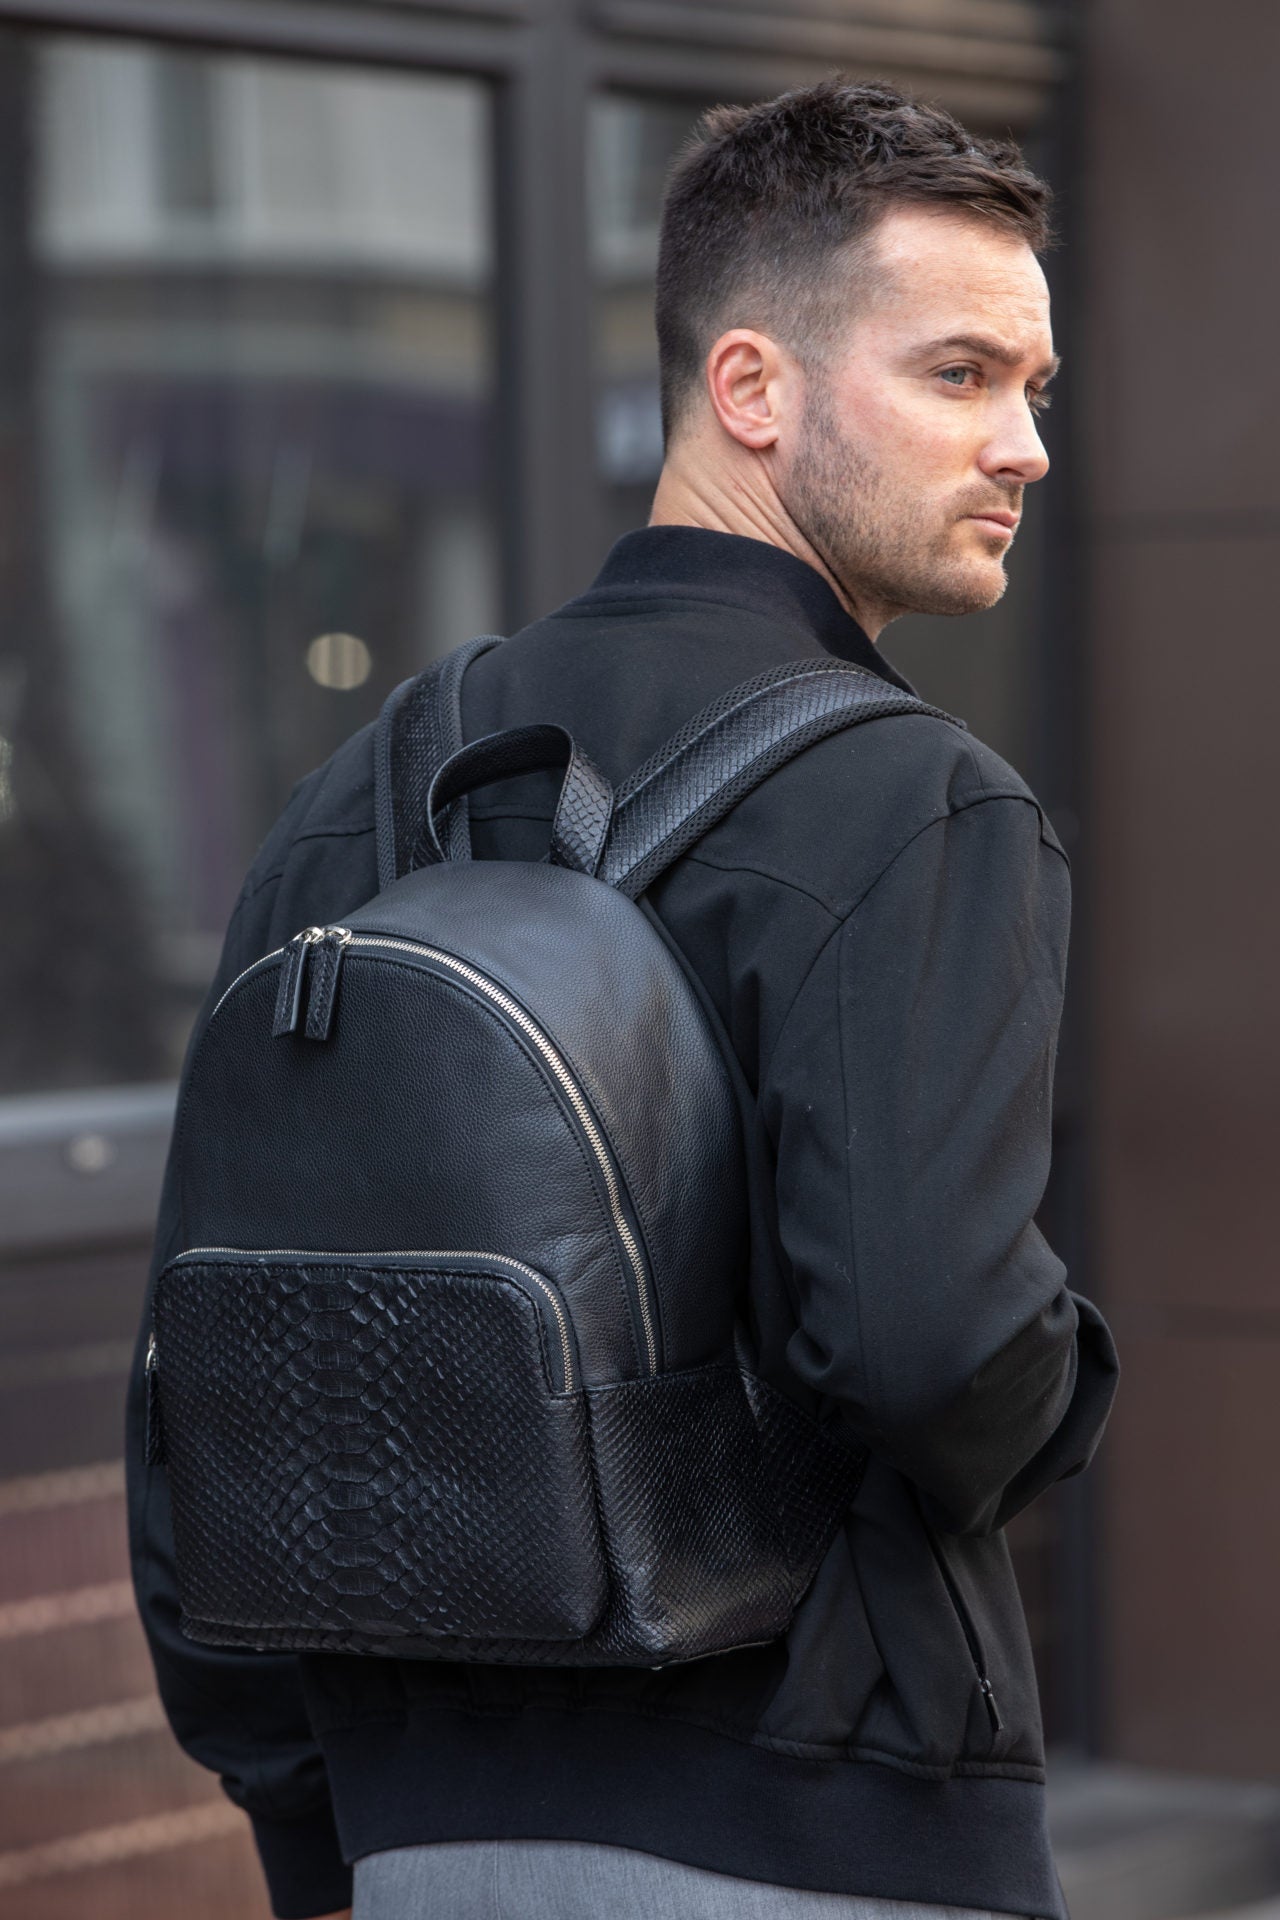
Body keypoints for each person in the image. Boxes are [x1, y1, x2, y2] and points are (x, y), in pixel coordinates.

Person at [126, 77, 1118, 1920]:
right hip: (826, 1827)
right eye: (962, 376)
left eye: (1033, 390)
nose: (1027, 448)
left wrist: (307, 1820)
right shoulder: (917, 803)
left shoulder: (358, 793)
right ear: (751, 389)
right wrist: (1068, 1371)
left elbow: (200, 1378)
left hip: (417, 1826)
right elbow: (925, 1340)